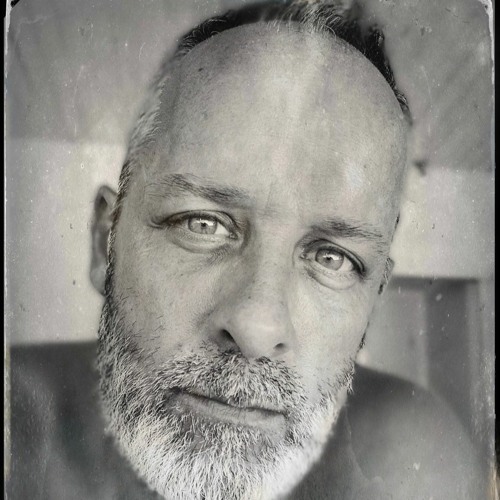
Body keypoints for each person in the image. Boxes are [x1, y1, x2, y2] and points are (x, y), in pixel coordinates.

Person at [7, 1, 487, 499]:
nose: (256, 331)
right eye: (203, 224)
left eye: (333, 258)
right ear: (104, 242)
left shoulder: (414, 464)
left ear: (374, 299)